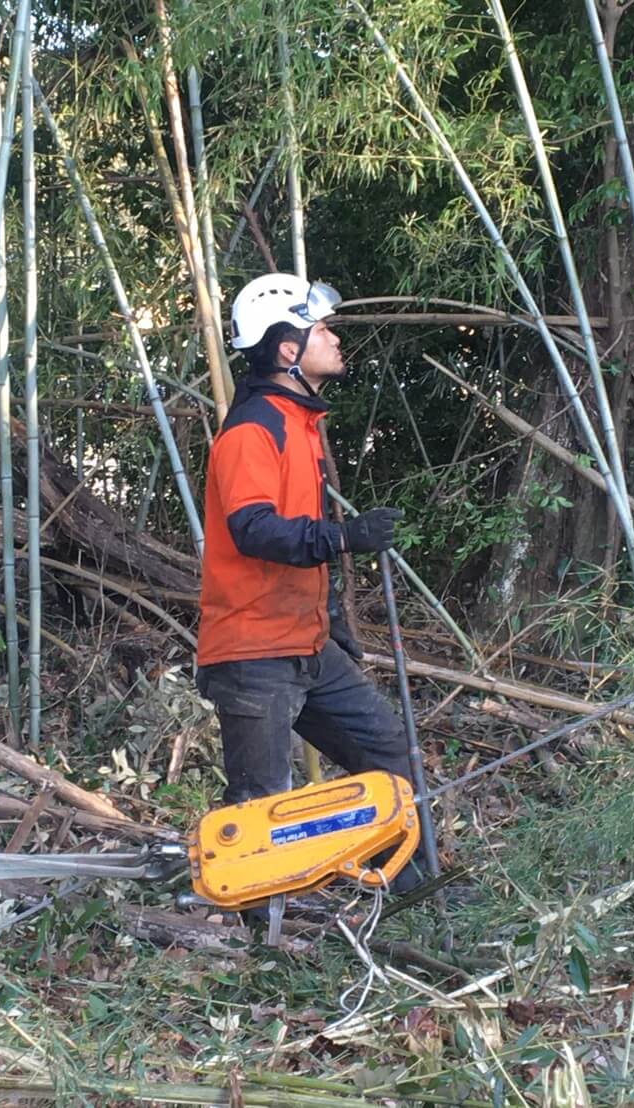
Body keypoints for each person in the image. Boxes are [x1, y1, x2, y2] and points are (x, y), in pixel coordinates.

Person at [195, 273, 434, 895]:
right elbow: (253, 529)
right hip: (253, 650)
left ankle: (407, 884)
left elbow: (297, 539)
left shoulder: (296, 423)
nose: (331, 337)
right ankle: (259, 937)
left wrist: (333, 624)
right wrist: (345, 537)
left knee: (389, 754)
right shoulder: (254, 428)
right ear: (286, 350)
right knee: (257, 803)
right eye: (319, 328)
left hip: (303, 642)